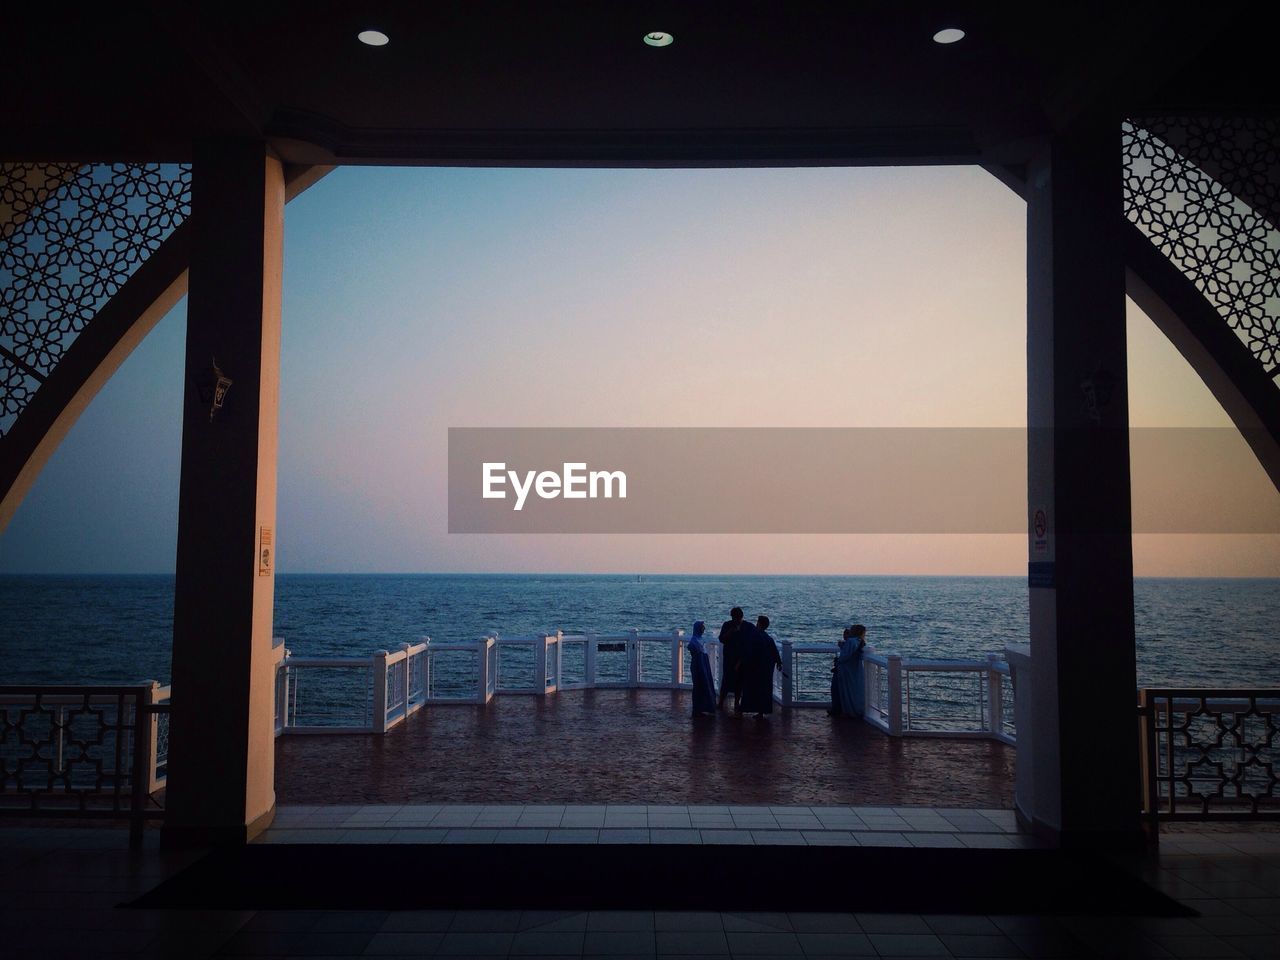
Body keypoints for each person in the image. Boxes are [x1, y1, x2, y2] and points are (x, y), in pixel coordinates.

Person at [737, 615, 782, 717]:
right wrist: (779, 662)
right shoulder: (768, 638)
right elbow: (775, 653)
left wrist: (740, 663)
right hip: (766, 669)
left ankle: (741, 710)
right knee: (763, 691)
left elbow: (747, 651)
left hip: (753, 668)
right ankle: (761, 712)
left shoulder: (753, 635)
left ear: (759, 623)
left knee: (749, 689)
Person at [829, 624, 867, 718]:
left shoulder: (851, 641)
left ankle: (845, 711)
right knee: (851, 691)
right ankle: (852, 710)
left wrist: (838, 661)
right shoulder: (858, 642)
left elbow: (845, 656)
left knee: (842, 691)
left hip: (845, 670)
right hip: (852, 670)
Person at [717, 607, 746, 711]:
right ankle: (721, 702)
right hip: (729, 659)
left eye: (739, 618)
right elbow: (721, 639)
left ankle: (737, 704)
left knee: (739, 683)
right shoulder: (727, 625)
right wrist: (731, 631)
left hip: (741, 659)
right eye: (735, 618)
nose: (737, 620)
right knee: (726, 681)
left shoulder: (746, 626)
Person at [687, 621, 716, 716]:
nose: (704, 629)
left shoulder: (700, 639)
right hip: (698, 665)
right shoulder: (694, 641)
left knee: (705, 684)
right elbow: (692, 648)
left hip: (704, 664)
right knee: (698, 685)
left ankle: (705, 707)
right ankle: (697, 708)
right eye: (702, 627)